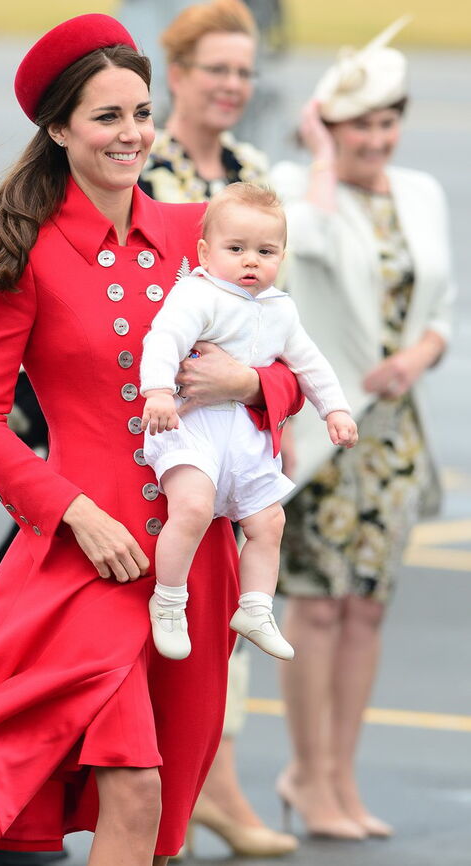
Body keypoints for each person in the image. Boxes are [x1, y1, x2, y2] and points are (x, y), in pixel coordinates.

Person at [0, 14, 304, 865]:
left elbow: (293, 363)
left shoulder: (199, 232)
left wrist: (250, 385)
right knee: (132, 781)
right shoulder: (23, 248)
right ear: (59, 128)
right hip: (90, 557)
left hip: (192, 560)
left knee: (162, 812)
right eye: (107, 116)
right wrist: (70, 512)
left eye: (141, 113)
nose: (132, 135)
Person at [270, 17, 456, 839]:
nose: (376, 139)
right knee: (315, 609)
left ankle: (339, 776)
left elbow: (439, 312)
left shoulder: (421, 193)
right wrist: (315, 154)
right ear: (328, 126)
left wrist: (416, 358)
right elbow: (298, 244)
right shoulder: (296, 185)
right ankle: (306, 775)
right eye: (358, 125)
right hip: (320, 437)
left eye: (387, 122)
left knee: (367, 611)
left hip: (391, 438)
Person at [138, 1, 299, 857]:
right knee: (161, 612)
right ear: (179, 75)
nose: (234, 86)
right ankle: (161, 795)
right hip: (169, 425)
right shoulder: (145, 168)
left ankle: (208, 783)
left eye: (245, 71)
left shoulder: (252, 169)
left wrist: (270, 394)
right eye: (218, 70)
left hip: (243, 424)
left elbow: (278, 320)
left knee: (232, 605)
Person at [140, 183, 357, 661]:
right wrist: (156, 390)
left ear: (282, 255)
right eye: (235, 249)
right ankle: (169, 600)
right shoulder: (198, 293)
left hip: (244, 438)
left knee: (269, 520)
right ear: (205, 250)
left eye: (265, 251)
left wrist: (335, 408)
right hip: (193, 428)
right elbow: (164, 339)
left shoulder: (280, 309)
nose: (250, 262)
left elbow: (309, 363)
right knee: (192, 509)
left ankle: (255, 607)